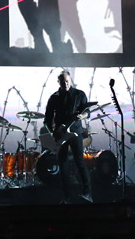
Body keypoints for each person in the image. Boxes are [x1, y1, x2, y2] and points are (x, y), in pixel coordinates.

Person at [43, 70, 92, 203]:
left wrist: (82, 116)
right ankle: (67, 197)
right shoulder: (54, 97)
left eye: (67, 81)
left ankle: (87, 192)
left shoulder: (79, 94)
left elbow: (87, 111)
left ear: (70, 80)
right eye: (63, 81)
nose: (65, 84)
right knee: (62, 164)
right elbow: (47, 119)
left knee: (79, 161)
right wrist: (53, 132)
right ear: (58, 82)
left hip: (76, 132)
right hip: (60, 134)